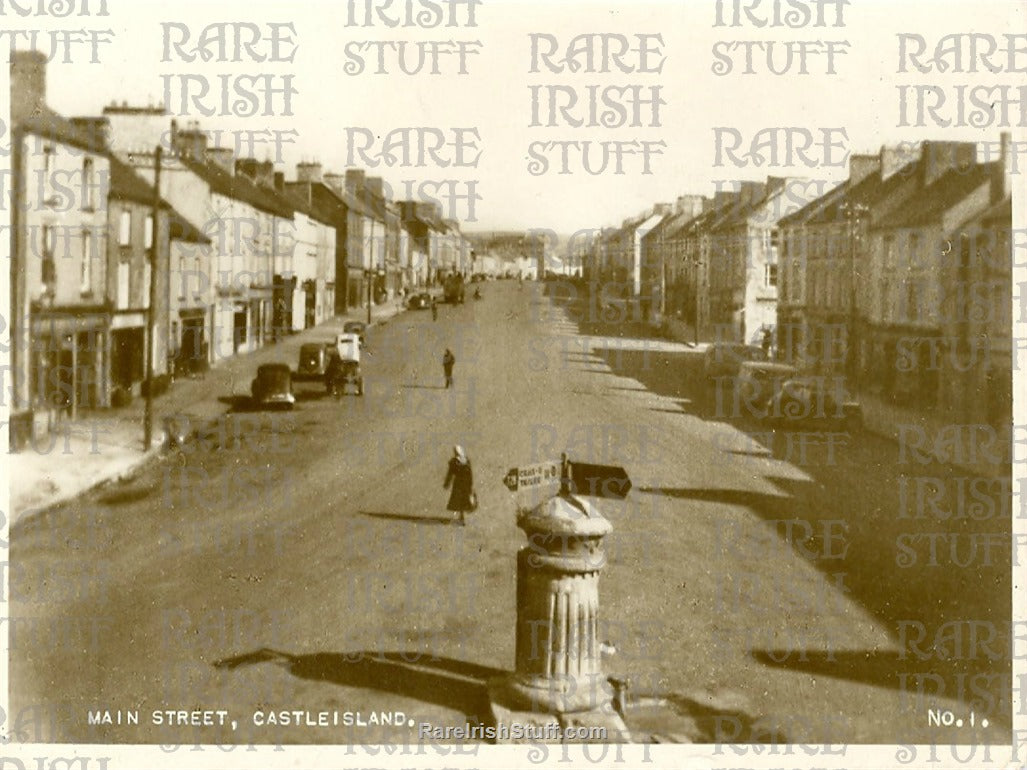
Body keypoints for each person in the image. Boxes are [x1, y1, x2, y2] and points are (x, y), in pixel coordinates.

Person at [443, 445, 474, 526]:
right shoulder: (460, 461)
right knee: (458, 500)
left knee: (462, 500)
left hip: (463, 484)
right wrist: (447, 483)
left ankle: (461, 517)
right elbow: (451, 473)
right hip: (460, 484)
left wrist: (447, 483)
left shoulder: (461, 461)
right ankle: (460, 517)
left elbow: (469, 473)